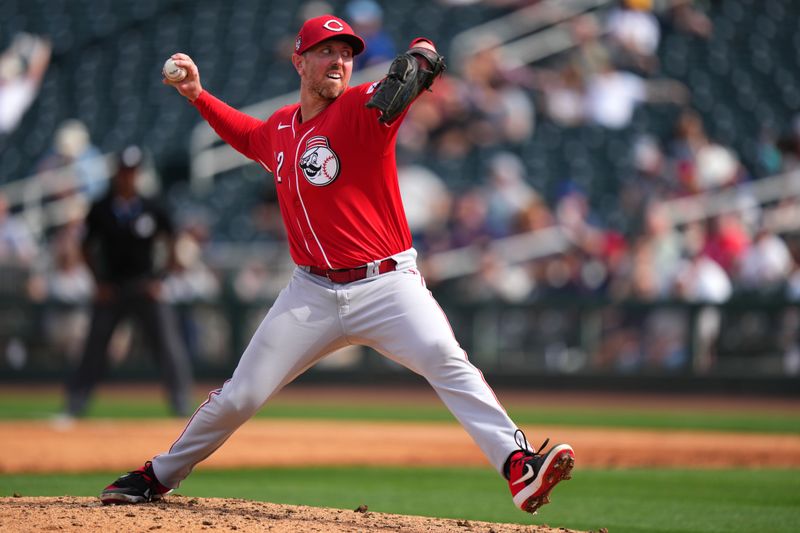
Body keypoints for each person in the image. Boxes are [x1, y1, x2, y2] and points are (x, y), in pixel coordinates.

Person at [99, 15, 574, 515]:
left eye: (347, 53)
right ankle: (158, 474)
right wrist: (198, 94)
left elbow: (421, 59)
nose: (339, 61)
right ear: (299, 61)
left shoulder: (362, 108)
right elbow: (246, 135)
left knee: (444, 356)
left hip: (387, 285)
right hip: (310, 295)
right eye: (327, 51)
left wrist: (421, 56)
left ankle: (518, 466)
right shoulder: (281, 128)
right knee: (240, 396)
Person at [64, 146, 194, 418]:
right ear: (117, 173)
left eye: (132, 172)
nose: (127, 177)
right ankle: (76, 401)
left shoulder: (151, 206)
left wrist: (161, 279)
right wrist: (97, 281)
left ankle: (180, 400)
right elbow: (85, 246)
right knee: (95, 346)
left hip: (145, 287)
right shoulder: (101, 207)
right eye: (124, 172)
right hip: (112, 288)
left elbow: (173, 241)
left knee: (168, 345)